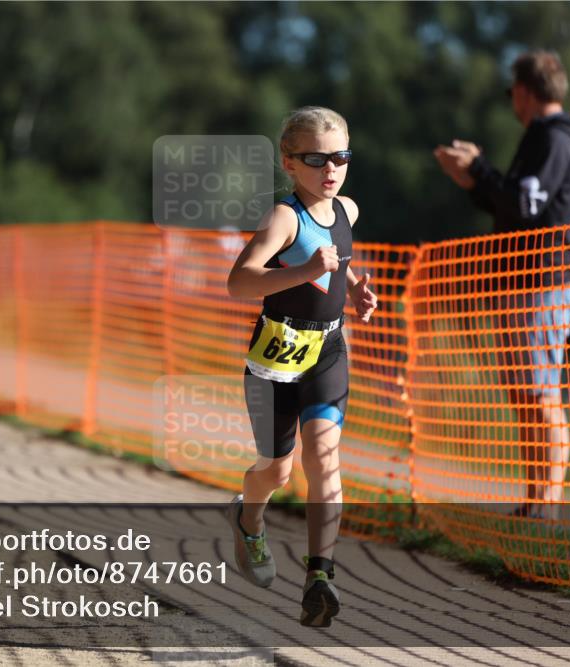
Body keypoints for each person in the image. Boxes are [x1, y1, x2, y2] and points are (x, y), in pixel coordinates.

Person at [226, 106, 377, 627]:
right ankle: (249, 520)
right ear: (289, 163)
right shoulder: (284, 218)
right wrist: (307, 271)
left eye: (340, 157)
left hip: (329, 351)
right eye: (316, 159)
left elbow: (343, 256)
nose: (330, 169)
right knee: (277, 470)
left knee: (324, 454)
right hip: (275, 359)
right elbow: (240, 282)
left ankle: (320, 575)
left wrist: (357, 290)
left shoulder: (349, 210)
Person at [433, 50, 570, 516]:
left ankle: (546, 504)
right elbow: (516, 208)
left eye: (512, 93)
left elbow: (523, 207)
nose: (512, 101)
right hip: (524, 282)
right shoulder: (550, 138)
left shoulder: (553, 140)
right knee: (526, 393)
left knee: (541, 394)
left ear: (524, 91)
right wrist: (472, 181)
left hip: (540, 284)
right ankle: (534, 500)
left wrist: (480, 168)